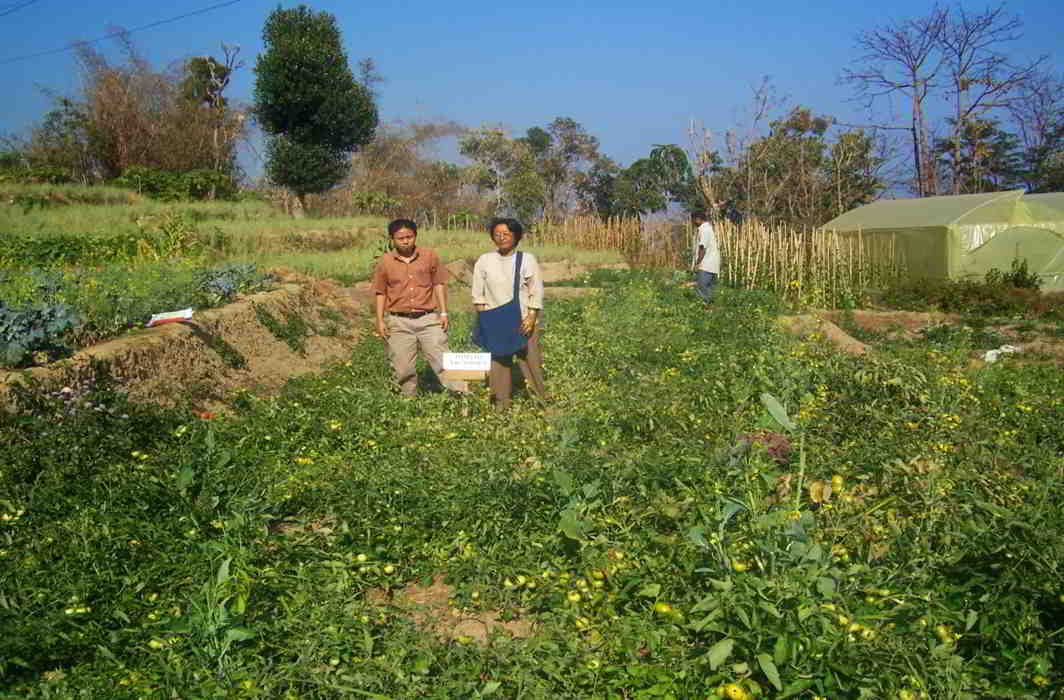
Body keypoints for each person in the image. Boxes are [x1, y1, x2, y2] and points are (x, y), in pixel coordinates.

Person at [372, 218, 466, 397]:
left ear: (415, 236)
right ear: (392, 239)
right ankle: (407, 404)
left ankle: (461, 396)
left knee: (443, 359)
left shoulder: (429, 256)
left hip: (428, 319)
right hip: (399, 322)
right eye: (400, 238)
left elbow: (439, 283)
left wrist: (444, 312)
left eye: (409, 236)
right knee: (402, 366)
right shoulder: (385, 262)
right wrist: (379, 320)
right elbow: (380, 292)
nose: (406, 241)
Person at [472, 217, 546, 410]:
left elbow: (535, 291)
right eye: (497, 234)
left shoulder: (527, 259)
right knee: (499, 366)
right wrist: (485, 321)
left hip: (523, 320)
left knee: (531, 363)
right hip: (495, 321)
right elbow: (478, 295)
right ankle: (500, 407)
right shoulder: (484, 260)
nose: (501, 237)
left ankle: (541, 404)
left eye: (506, 234)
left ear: (516, 236)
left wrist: (532, 317)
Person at [691, 209, 720, 304]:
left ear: (698, 219)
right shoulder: (708, 229)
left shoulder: (704, 230)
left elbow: (702, 247)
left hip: (706, 264)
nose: (692, 222)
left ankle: (704, 309)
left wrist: (697, 263)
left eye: (693, 220)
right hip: (712, 264)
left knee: (702, 288)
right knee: (708, 289)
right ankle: (711, 309)